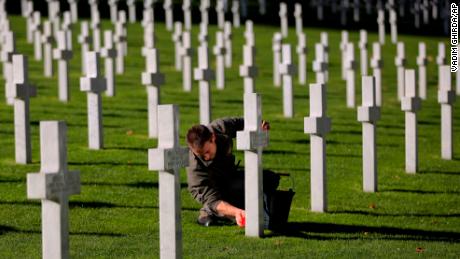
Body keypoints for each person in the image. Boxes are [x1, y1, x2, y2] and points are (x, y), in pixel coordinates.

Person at [186, 117, 280, 228]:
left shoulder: (221, 127)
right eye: (201, 154)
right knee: (220, 199)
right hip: (214, 189)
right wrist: (237, 212)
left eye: (207, 151)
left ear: (213, 137)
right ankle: (208, 211)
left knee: (269, 179)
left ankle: (228, 210)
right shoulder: (194, 167)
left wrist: (260, 126)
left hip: (230, 176)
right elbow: (212, 199)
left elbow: (245, 123)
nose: (205, 157)